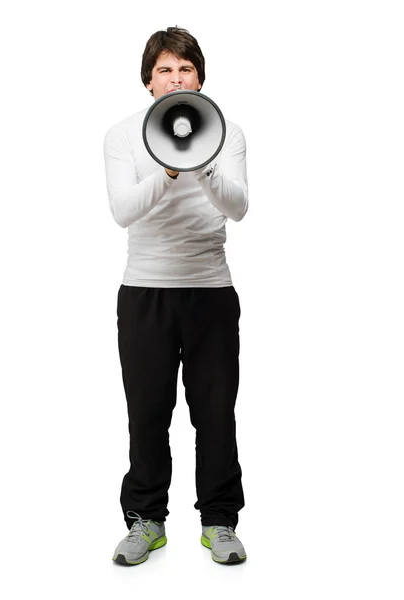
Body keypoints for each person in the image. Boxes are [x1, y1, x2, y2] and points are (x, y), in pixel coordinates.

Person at [104, 26, 249, 565]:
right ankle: (146, 521)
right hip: (145, 290)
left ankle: (220, 521)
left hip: (210, 290)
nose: (175, 77)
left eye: (185, 69)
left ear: (199, 78)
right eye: (165, 69)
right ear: (148, 81)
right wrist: (168, 166)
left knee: (215, 413)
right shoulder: (122, 136)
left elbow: (237, 207)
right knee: (146, 413)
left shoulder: (225, 133)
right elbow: (122, 211)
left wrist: (201, 158)